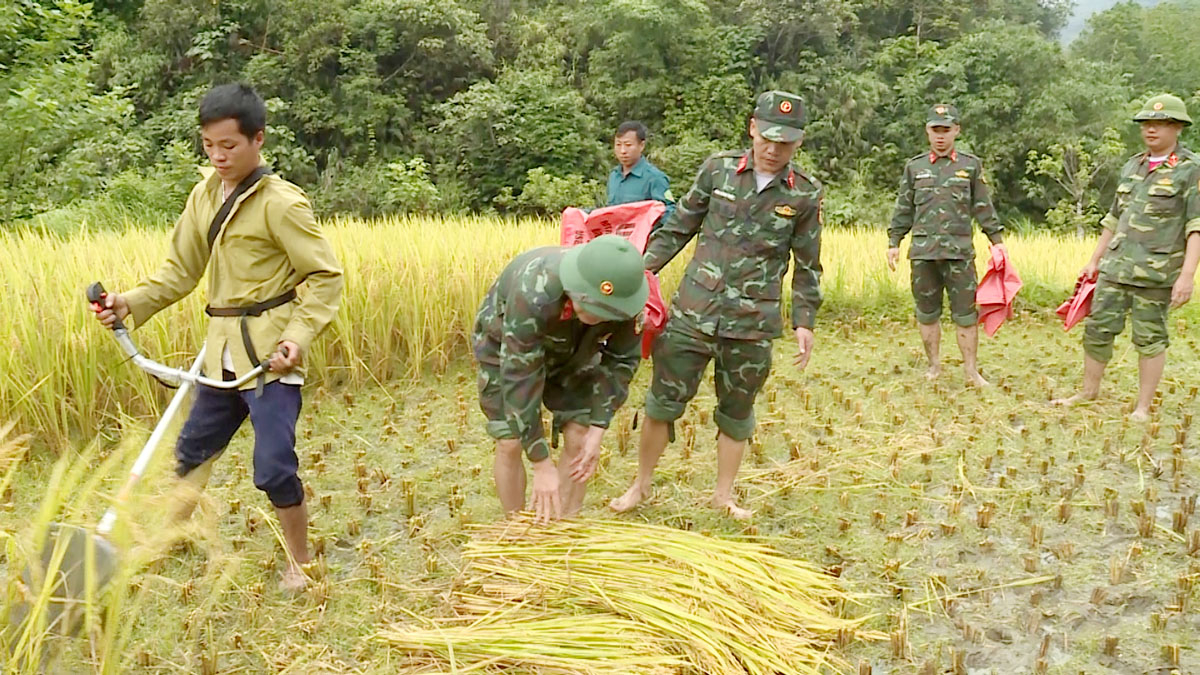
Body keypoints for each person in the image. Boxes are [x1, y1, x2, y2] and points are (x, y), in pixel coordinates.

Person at [93, 84, 343, 592]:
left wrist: (297, 337)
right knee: (190, 455)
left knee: (273, 468)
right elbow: (179, 272)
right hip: (219, 355)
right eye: (209, 145)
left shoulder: (282, 204)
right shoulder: (205, 195)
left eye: (228, 145)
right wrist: (129, 302)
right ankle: (171, 541)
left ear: (258, 140)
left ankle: (301, 561)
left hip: (269, 360)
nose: (218, 156)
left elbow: (324, 276)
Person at [609, 91, 822, 520]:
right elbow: (678, 227)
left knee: (737, 412)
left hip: (752, 322)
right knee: (662, 402)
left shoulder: (804, 195)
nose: (774, 149)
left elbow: (808, 263)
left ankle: (723, 496)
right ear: (752, 128)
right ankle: (641, 486)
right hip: (694, 311)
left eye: (785, 142)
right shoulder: (718, 170)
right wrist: (639, 272)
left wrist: (804, 320)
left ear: (798, 143)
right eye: (768, 137)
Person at [474, 234, 648, 523]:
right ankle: (517, 528)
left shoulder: (628, 302)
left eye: (606, 312)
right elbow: (520, 377)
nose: (596, 314)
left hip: (577, 348)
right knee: (510, 440)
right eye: (589, 304)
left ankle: (563, 526)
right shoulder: (534, 290)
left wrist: (598, 426)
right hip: (508, 343)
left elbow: (621, 362)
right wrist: (541, 463)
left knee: (580, 433)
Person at [1053, 94, 1200, 420]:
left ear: (1177, 127)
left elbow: (1195, 227)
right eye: (1147, 124)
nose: (1151, 130)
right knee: (1098, 329)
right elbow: (1113, 217)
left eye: (1160, 124)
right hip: (1115, 268)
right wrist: (1094, 260)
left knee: (1149, 338)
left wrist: (1187, 275)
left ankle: (1142, 407)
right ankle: (1088, 392)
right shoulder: (1133, 165)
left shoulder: (1190, 170)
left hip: (1155, 272)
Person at [886, 103, 1006, 386]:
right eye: (935, 130)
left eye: (946, 130)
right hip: (924, 254)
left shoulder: (970, 166)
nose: (940, 136)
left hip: (959, 254)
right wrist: (894, 242)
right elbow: (904, 208)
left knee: (965, 315)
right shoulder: (914, 167)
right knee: (927, 313)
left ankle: (970, 371)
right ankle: (934, 366)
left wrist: (997, 241)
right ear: (927, 131)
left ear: (956, 131)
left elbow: (982, 206)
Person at [608, 121, 675, 227]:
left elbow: (669, 213)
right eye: (618, 145)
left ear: (641, 145)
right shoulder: (614, 176)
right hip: (616, 240)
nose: (623, 151)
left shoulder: (655, 178)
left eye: (628, 145)